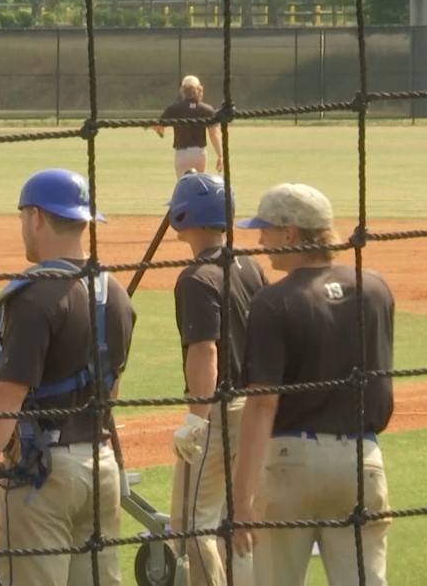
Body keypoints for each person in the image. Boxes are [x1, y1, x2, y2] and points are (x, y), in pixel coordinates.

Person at [0, 168, 135, 586]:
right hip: (101, 467)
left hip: (44, 478)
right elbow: (111, 390)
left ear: (36, 216)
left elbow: (5, 398)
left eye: (21, 218)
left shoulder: (34, 295)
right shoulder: (115, 292)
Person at [230, 183, 394, 586]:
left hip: (292, 464)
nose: (260, 239)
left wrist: (241, 501)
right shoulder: (375, 289)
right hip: (363, 460)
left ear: (290, 234)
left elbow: (262, 403)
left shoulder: (273, 301)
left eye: (265, 229)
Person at [166, 171, 267, 586]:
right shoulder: (250, 266)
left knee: (193, 524)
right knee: (239, 517)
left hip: (219, 412)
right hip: (254, 409)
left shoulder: (196, 278)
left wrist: (197, 418)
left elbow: (205, 350)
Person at [152, 75, 223, 178]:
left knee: (183, 185)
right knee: (198, 185)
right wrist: (220, 156)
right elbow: (214, 134)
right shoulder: (207, 109)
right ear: (199, 89)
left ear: (183, 91)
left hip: (182, 153)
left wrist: (158, 131)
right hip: (199, 153)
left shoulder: (174, 109)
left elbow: (158, 126)